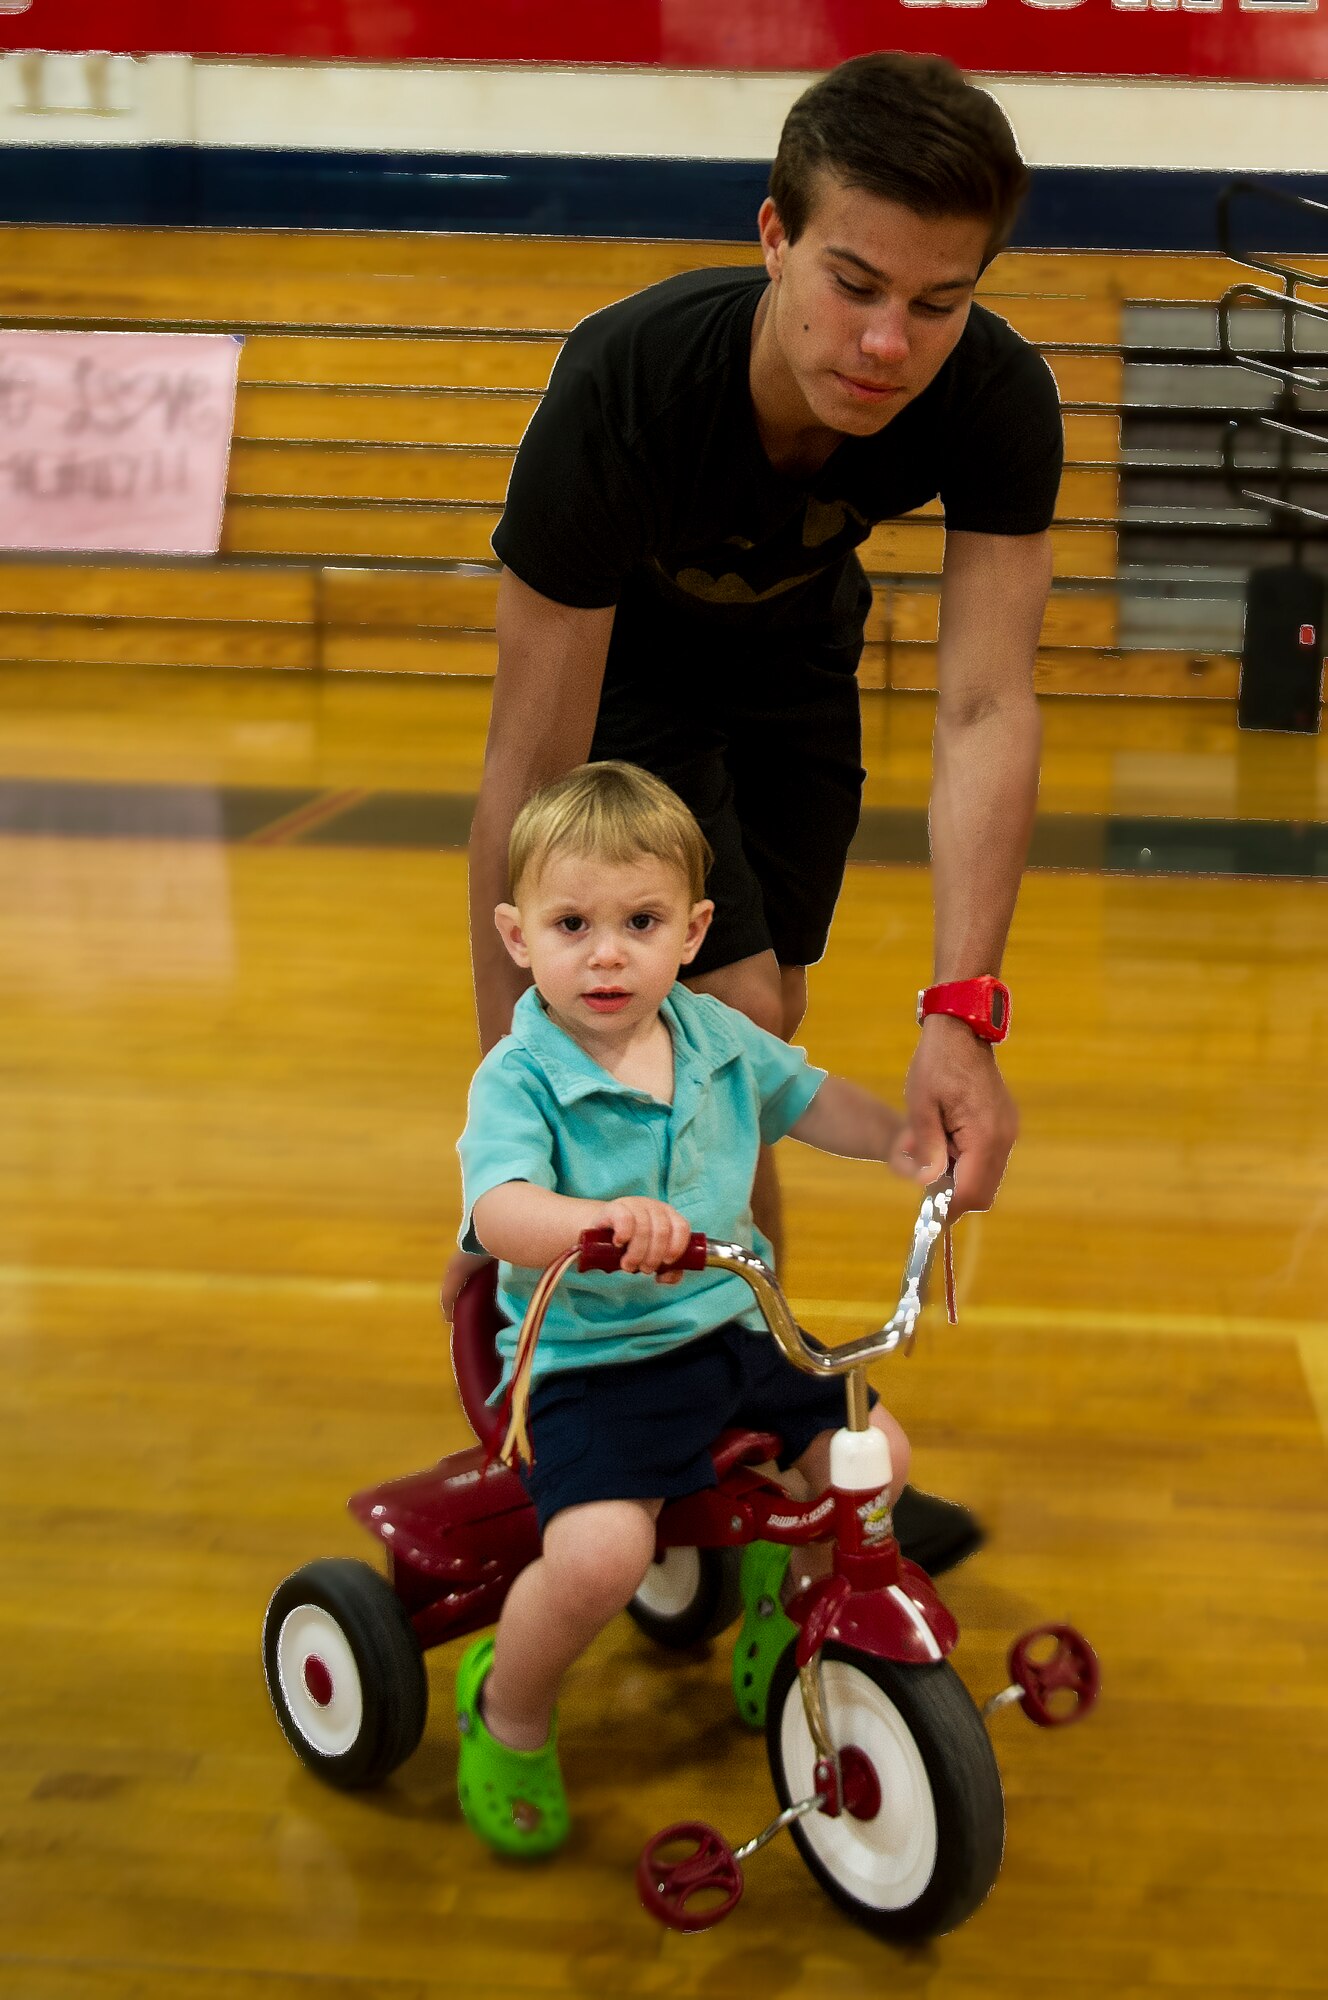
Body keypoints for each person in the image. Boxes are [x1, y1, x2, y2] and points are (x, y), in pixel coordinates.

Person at [452, 51, 1063, 1572]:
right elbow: (529, 762)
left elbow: (988, 706)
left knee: (767, 1018)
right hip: (629, 677)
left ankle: (740, 1396)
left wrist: (963, 1011)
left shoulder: (993, 396)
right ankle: (757, 1406)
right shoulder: (625, 390)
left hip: (798, 664)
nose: (888, 341)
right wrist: (507, 1127)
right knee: (711, 1005)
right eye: (853, 281)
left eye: (938, 301)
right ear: (774, 233)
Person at [454, 761, 923, 1858]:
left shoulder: (712, 1036)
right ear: (519, 936)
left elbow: (807, 1096)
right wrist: (593, 1219)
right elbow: (497, 1205)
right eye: (572, 922)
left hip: (733, 1327)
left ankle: (802, 1622)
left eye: (640, 920)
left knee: (873, 1459)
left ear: (692, 929)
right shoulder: (519, 1075)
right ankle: (510, 1709)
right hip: (588, 1358)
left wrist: (906, 1139)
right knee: (598, 1558)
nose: (606, 952)